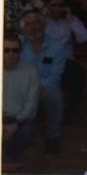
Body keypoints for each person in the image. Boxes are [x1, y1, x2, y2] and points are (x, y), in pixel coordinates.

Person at [17, 12, 68, 152]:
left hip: (45, 88)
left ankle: (53, 136)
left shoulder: (56, 46)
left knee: (54, 95)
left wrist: (36, 89)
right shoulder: (16, 45)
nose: (33, 27)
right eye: (28, 24)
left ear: (44, 25)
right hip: (21, 87)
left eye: (36, 23)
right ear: (22, 29)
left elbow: (55, 76)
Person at [1, 39, 42, 163]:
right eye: (6, 50)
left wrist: (16, 124)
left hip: (20, 120)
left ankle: (5, 162)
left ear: (21, 52)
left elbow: (32, 103)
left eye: (15, 50)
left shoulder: (31, 71)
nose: (11, 54)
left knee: (25, 133)